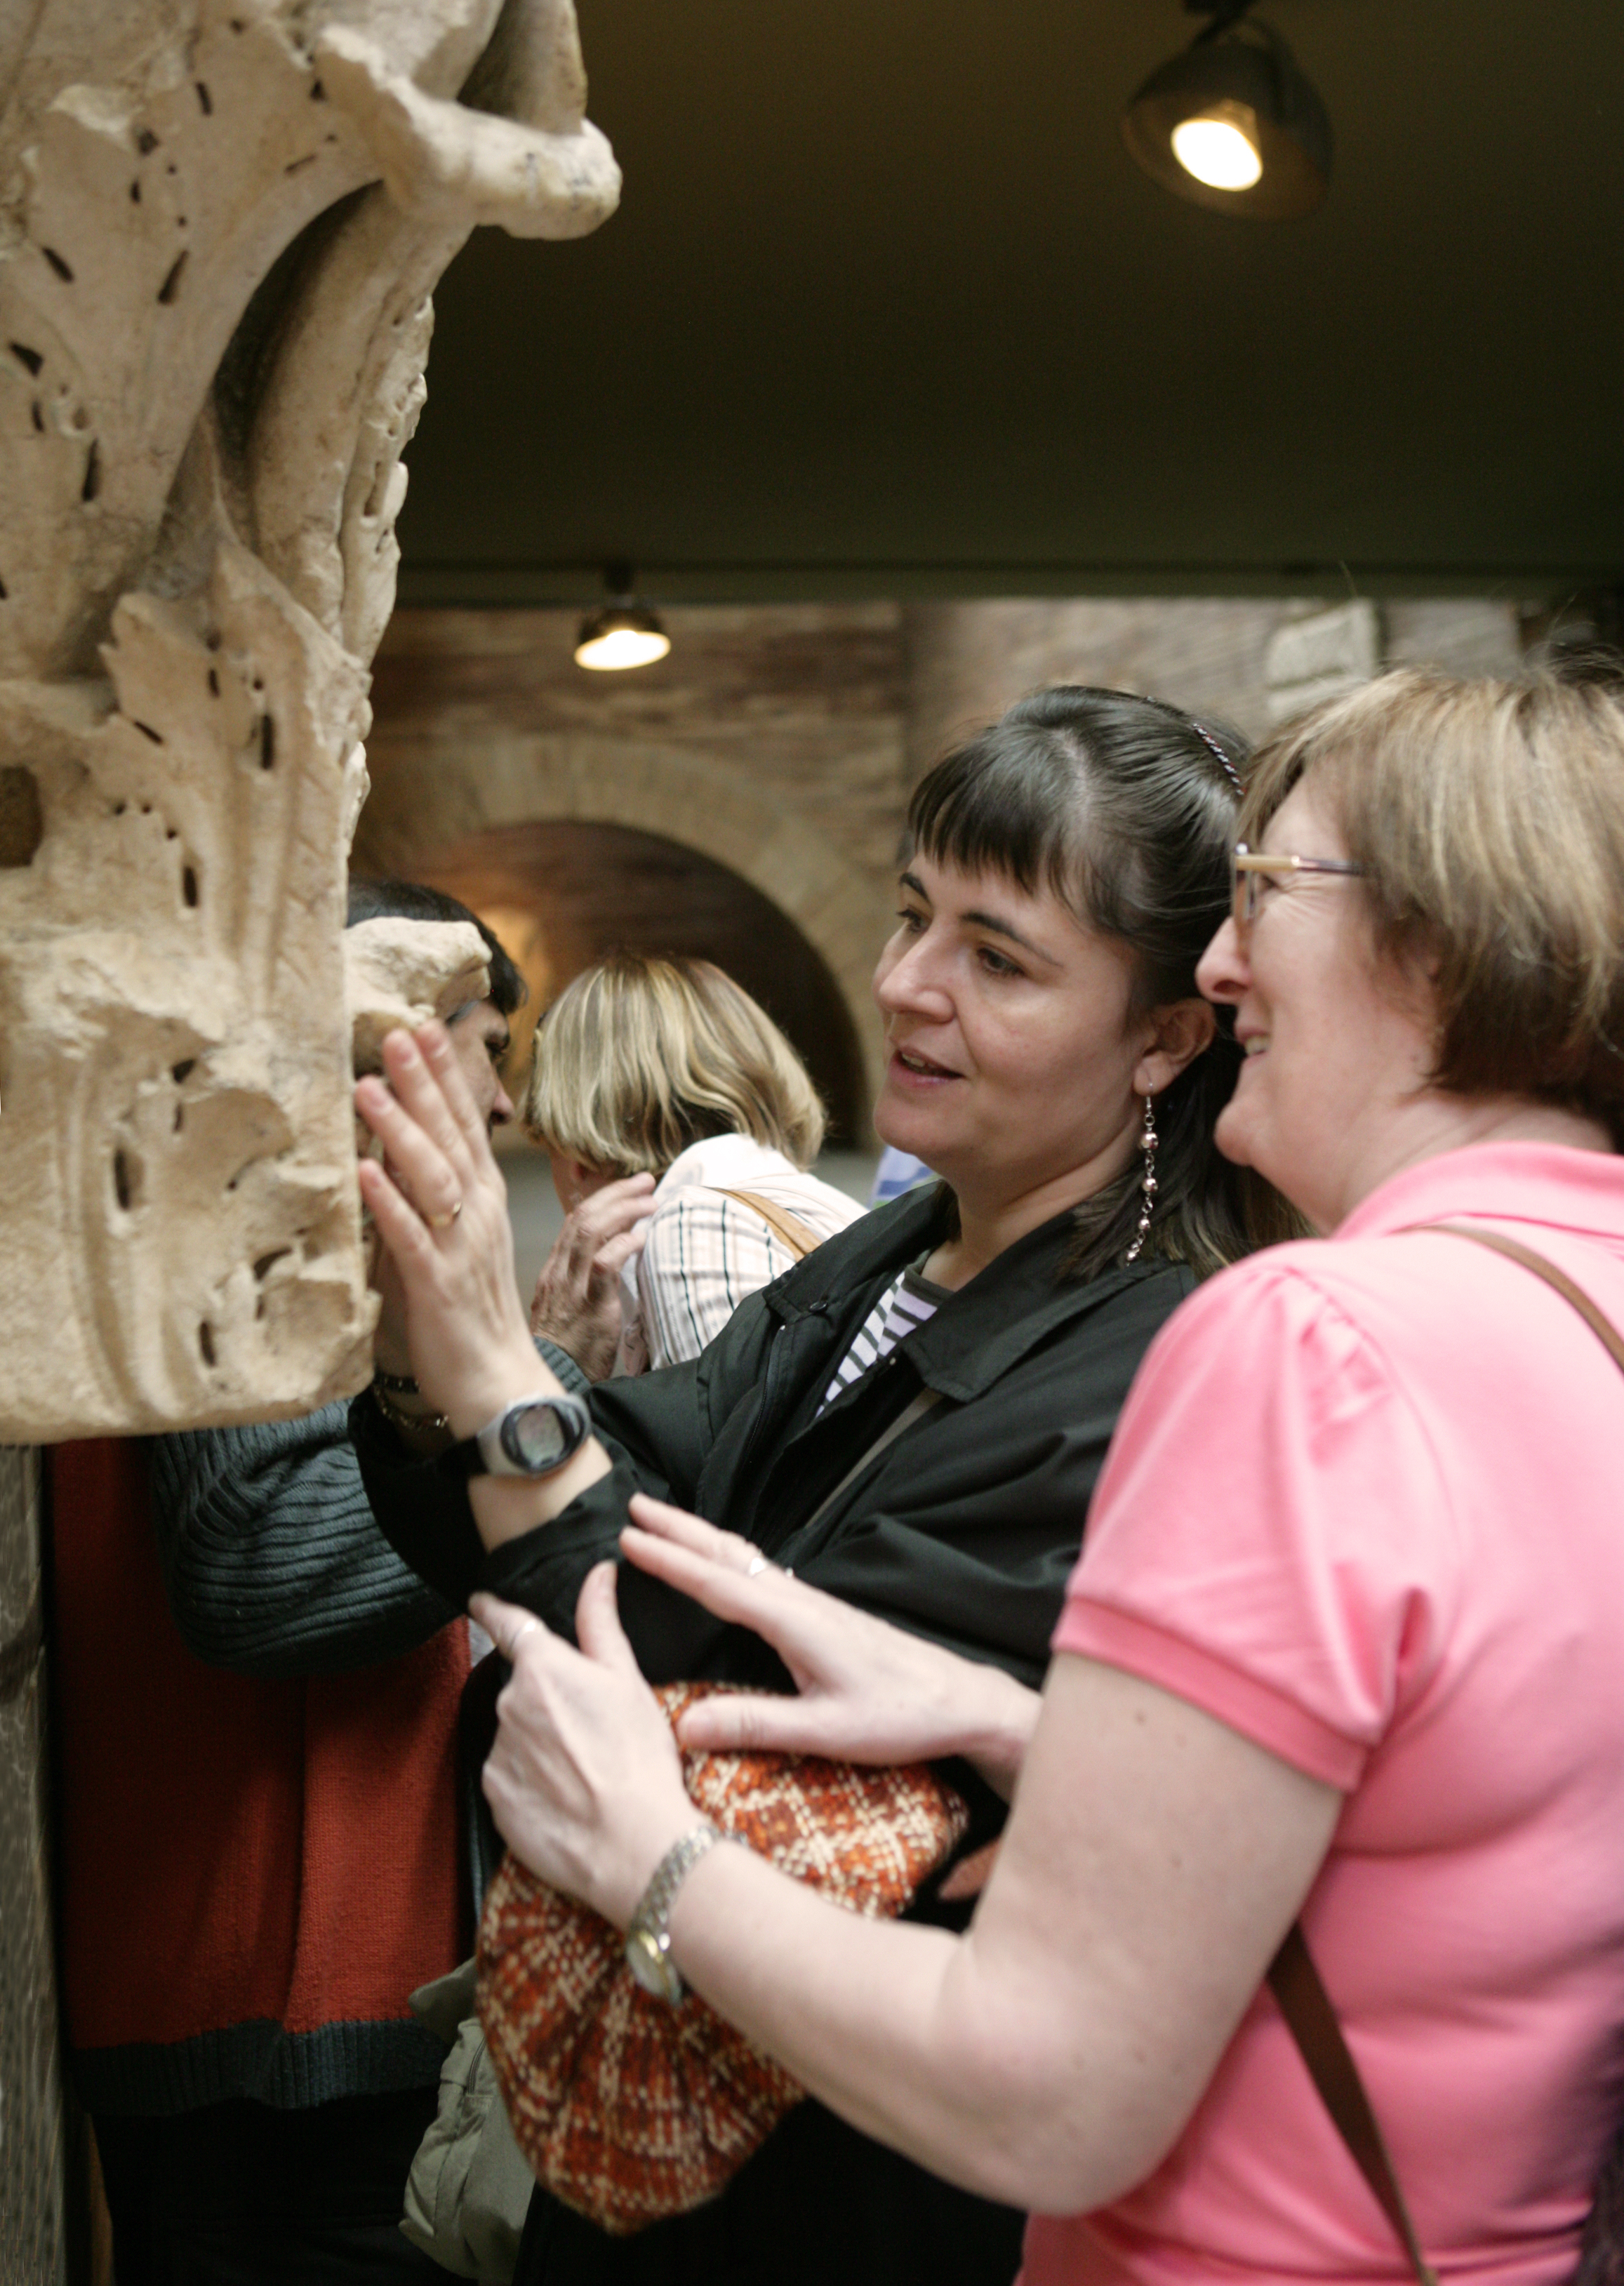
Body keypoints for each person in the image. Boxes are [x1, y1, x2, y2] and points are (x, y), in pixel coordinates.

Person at [467, 654, 1624, 2286]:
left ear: (1436, 941)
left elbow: (1046, 2099)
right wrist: (1032, 1731)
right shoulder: (1579, 1292)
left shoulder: (1308, 1336)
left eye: (1265, 888)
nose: (1221, 963)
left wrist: (649, 1849)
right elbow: (1454, 1816)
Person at [350, 687, 1281, 2286]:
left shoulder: (1161, 1357)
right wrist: (428, 1352)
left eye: (997, 956)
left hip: (850, 2162)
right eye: (913, 914)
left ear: (1163, 1035)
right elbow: (625, 1476)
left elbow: (721, 1712)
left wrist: (505, 1380)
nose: (904, 985)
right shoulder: (894, 1246)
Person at [50, 878, 528, 2286]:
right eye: (482, 1041)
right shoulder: (247, 1189)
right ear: (386, 1029)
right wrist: (553, 1432)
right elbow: (264, 1570)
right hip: (278, 1995)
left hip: (287, 1994)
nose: (499, 1102)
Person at [522, 952, 864, 1380]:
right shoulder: (808, 1202)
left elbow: (736, 1447)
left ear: (576, 1156)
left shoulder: (697, 1226)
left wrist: (561, 1371)